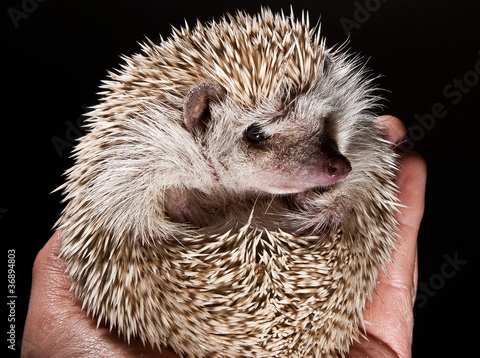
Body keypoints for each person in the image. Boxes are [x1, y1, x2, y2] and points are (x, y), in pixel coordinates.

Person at [21, 116, 426, 358]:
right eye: (260, 134)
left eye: (319, 126)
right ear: (200, 114)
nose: (331, 162)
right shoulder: (151, 153)